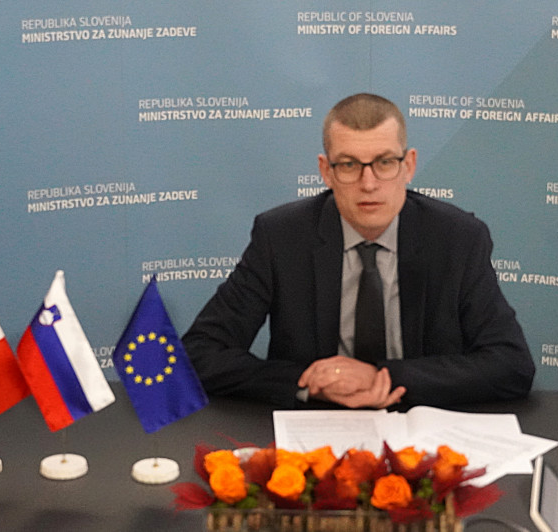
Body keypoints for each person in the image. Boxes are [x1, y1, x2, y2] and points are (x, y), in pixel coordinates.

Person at [182, 93, 534, 409]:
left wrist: (380, 376)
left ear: (408, 166)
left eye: (384, 163)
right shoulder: (281, 237)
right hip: (315, 427)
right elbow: (200, 352)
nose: (369, 183)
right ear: (326, 171)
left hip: (422, 425)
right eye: (349, 165)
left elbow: (511, 365)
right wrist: (308, 384)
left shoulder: (457, 238)